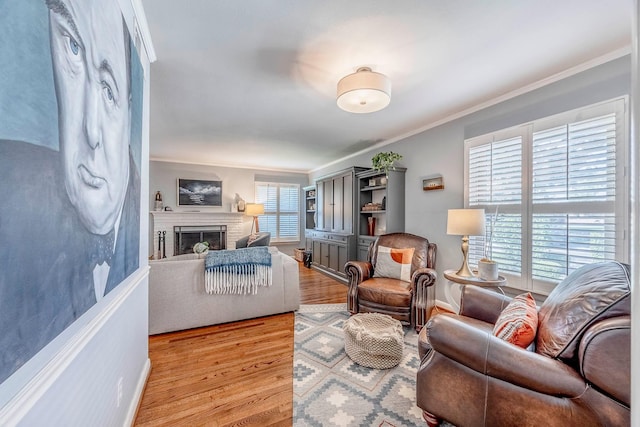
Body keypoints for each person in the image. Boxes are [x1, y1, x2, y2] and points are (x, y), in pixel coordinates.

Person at [0, 0, 139, 383]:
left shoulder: (135, 230)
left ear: (128, 107)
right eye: (73, 49)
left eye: (109, 90)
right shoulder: (10, 200)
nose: (91, 133)